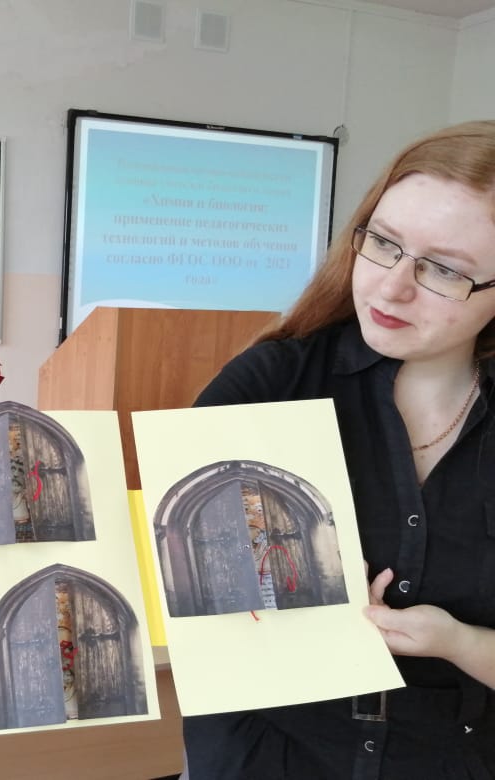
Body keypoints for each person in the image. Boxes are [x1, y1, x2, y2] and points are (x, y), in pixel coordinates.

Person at [181, 121, 495, 778]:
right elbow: (168, 573)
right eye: (383, 243)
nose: (390, 287)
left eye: (444, 270)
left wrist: (459, 642)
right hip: (266, 751)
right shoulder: (271, 381)